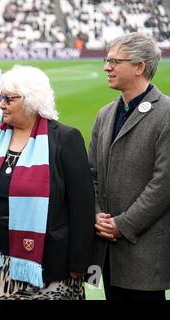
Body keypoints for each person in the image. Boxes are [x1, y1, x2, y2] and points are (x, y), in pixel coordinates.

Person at [0, 65, 94, 300]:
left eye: (9, 99)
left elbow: (81, 206)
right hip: (0, 262)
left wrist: (80, 261)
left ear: (30, 101)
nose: (2, 104)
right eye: (0, 98)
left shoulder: (65, 139)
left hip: (49, 264)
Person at [88, 33, 170, 300]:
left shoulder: (166, 113)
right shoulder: (105, 114)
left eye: (114, 61)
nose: (106, 67)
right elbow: (91, 174)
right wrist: (96, 214)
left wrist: (123, 224)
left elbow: (163, 184)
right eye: (106, 59)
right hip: (107, 254)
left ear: (139, 67)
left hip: (143, 255)